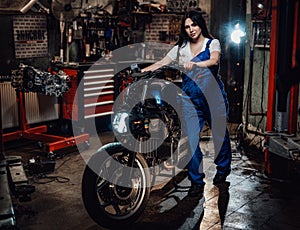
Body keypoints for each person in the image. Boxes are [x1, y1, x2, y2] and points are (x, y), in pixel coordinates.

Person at [142, 10, 232, 197]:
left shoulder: (211, 43)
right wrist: (142, 71)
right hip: (191, 98)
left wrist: (195, 64)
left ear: (201, 25)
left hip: (213, 97)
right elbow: (162, 62)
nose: (191, 30)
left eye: (194, 25)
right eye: (187, 27)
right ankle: (196, 181)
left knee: (220, 135)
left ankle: (222, 171)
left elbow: (214, 60)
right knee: (190, 139)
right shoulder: (180, 48)